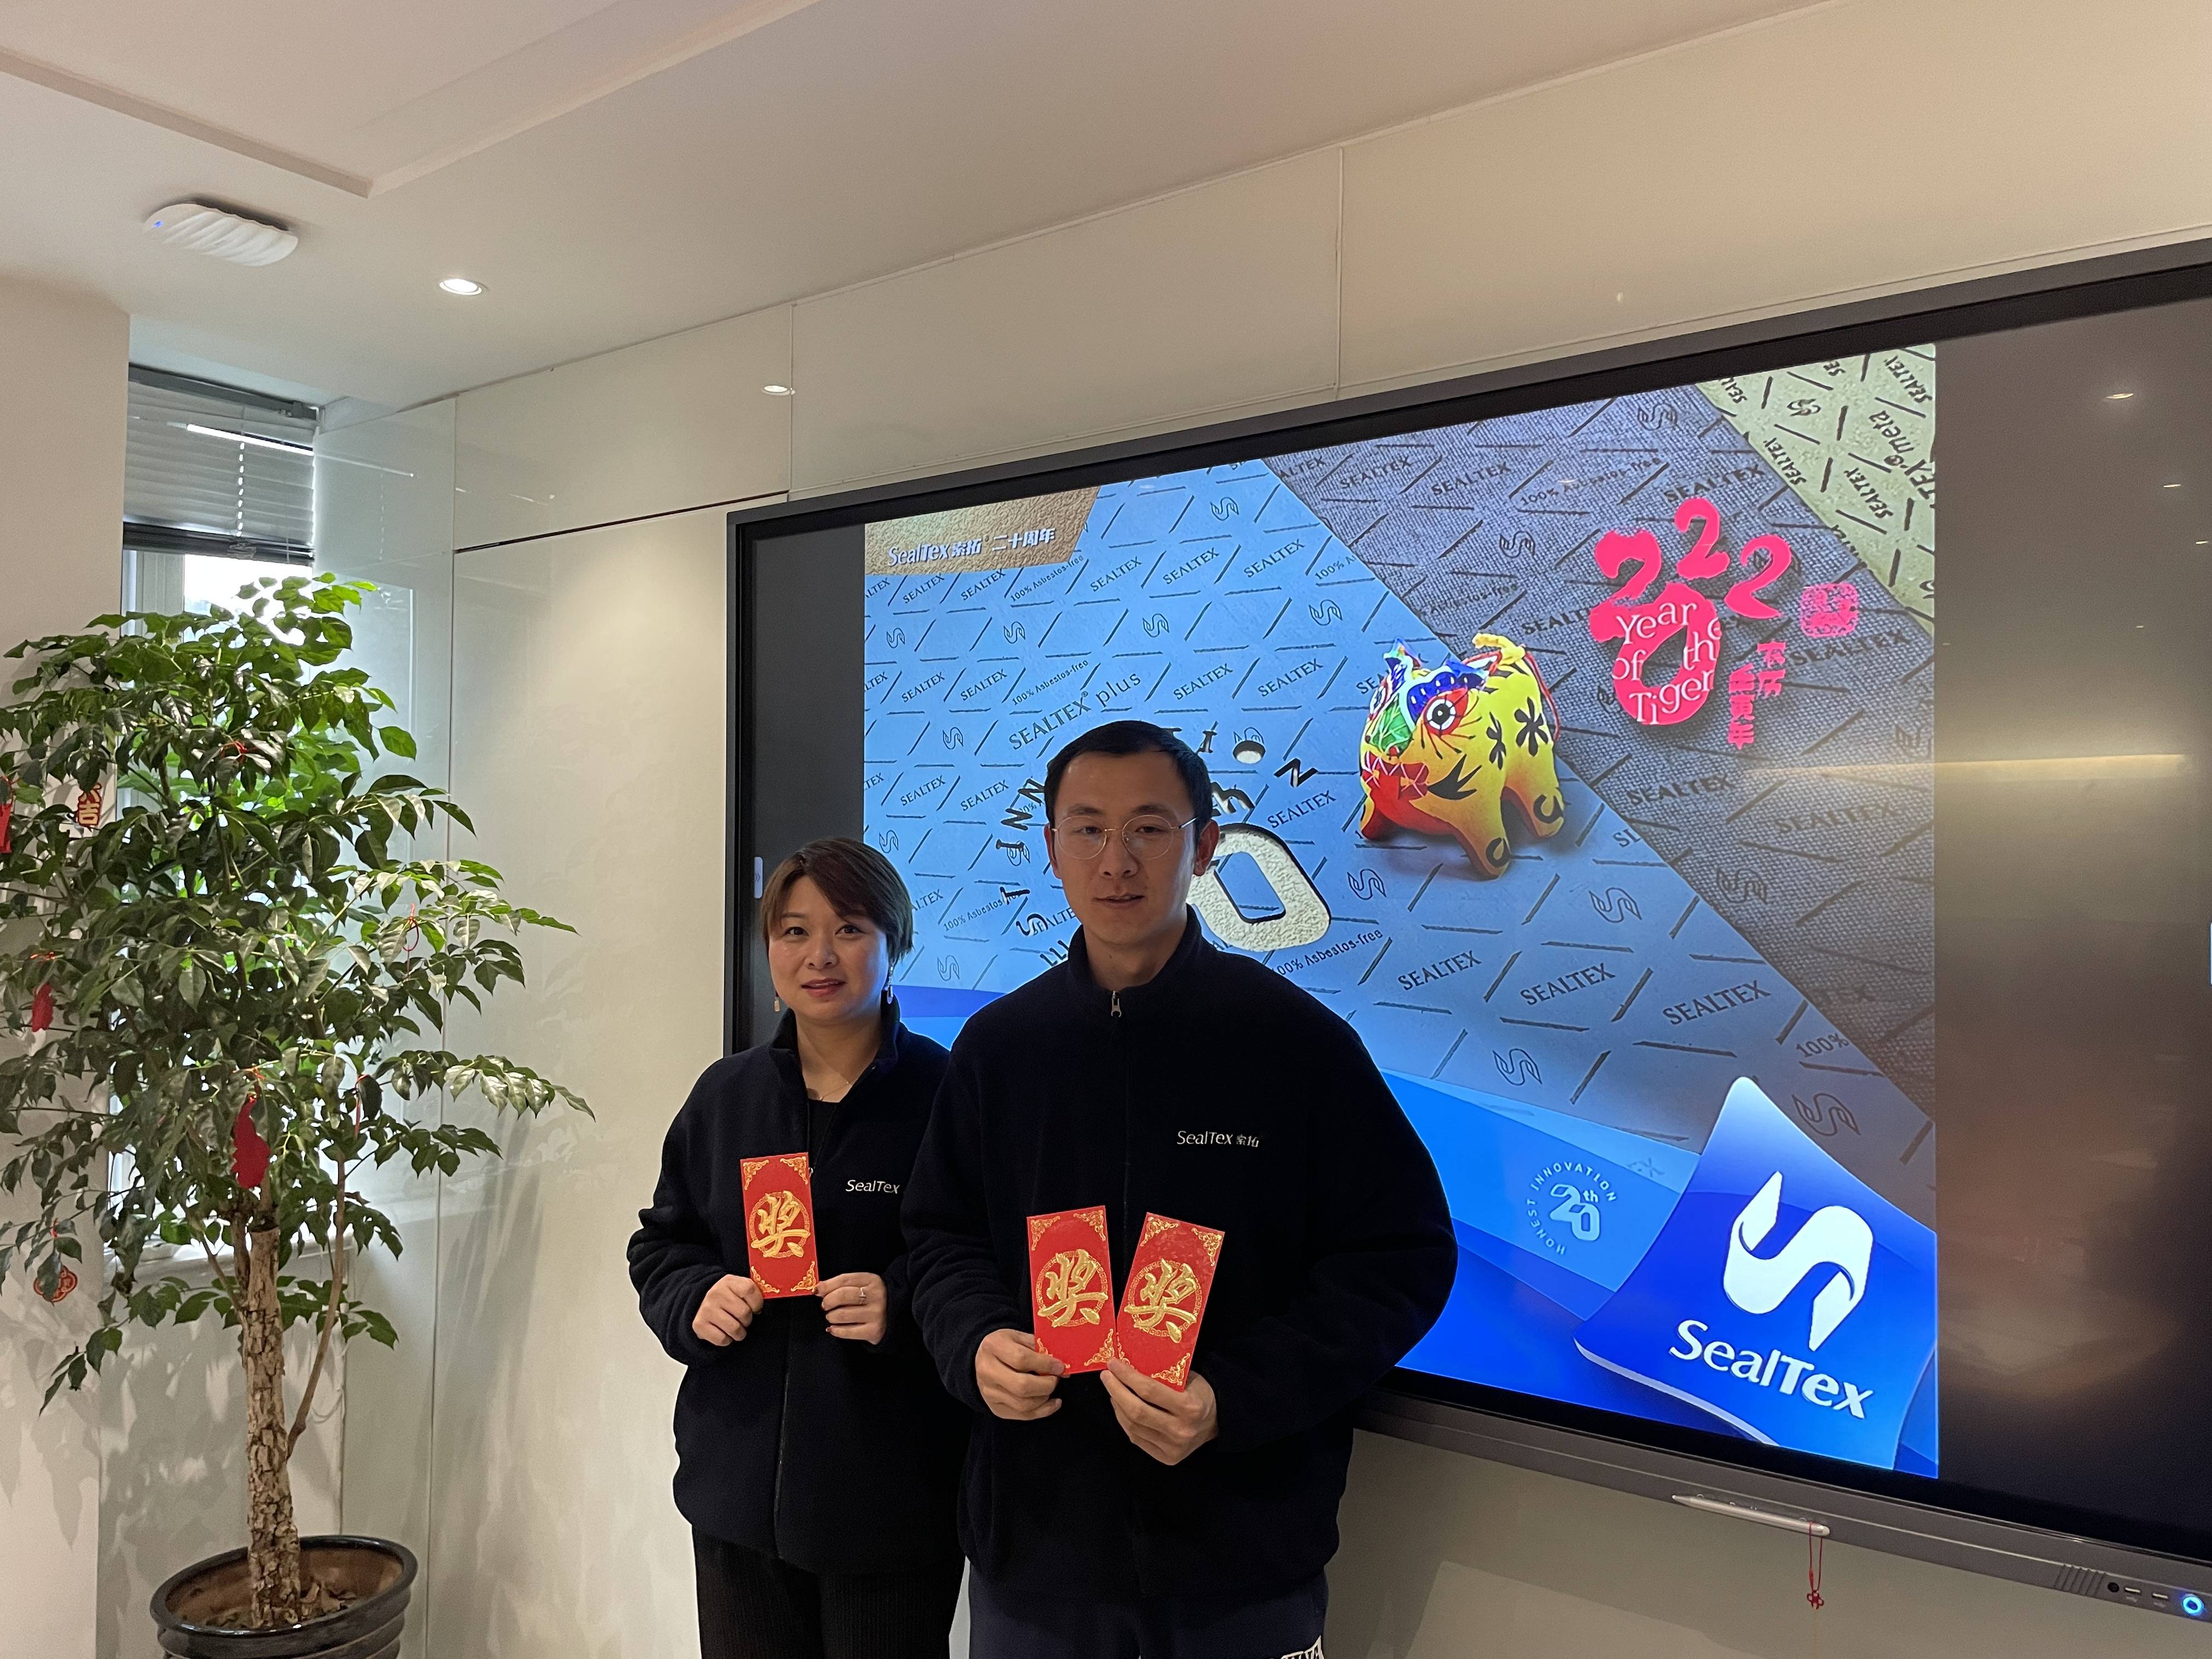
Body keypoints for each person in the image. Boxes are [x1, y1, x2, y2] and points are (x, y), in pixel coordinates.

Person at [901, 720, 1457, 1659]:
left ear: (1204, 847)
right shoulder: (1000, 1050)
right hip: (1036, 1560)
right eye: (1088, 830)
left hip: (1242, 1566)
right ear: (1053, 849)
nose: (1116, 861)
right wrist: (976, 1341)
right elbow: (939, 1237)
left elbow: (1401, 1259)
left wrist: (1234, 1397)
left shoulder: (1296, 1046)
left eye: (1150, 829)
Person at [630, 838, 966, 1659]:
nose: (820, 956)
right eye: (793, 931)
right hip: (735, 1498)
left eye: (850, 928)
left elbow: (984, 1263)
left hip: (892, 1504)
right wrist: (694, 1298)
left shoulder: (946, 1094)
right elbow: (663, 1243)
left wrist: (899, 1303)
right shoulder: (726, 1095)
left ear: (895, 942)